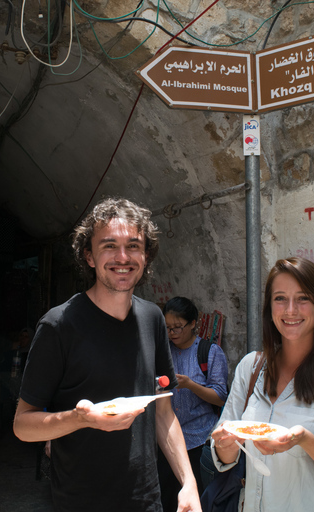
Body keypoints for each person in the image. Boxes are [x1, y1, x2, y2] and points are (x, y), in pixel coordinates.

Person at [12, 197, 201, 512]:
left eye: (134, 246)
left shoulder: (153, 318)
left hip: (146, 499)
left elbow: (164, 413)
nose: (123, 257)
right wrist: (80, 418)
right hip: (81, 501)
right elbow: (22, 425)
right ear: (89, 256)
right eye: (109, 246)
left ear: (146, 255)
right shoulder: (59, 325)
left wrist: (189, 483)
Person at [210, 257, 314, 511]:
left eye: (303, 298)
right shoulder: (250, 368)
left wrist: (304, 440)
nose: (290, 310)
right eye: (280, 298)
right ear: (269, 307)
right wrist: (224, 444)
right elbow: (225, 457)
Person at [157, 296, 228, 511]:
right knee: (168, 501)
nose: (173, 333)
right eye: (168, 328)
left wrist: (190, 385)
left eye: (178, 327)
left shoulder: (209, 352)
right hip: (167, 440)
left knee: (200, 501)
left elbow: (220, 396)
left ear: (193, 323)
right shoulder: (162, 351)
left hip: (199, 440)